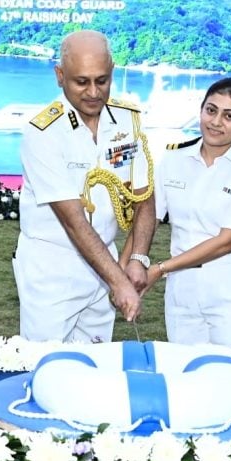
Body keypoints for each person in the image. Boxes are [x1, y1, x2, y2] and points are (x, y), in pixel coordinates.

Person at [14, 29, 156, 344]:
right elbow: (74, 221)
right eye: (82, 82)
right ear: (60, 76)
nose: (93, 92)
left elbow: (144, 198)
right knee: (46, 365)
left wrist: (138, 258)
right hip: (52, 266)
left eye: (102, 80)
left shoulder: (127, 121)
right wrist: (119, 282)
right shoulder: (43, 132)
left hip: (106, 259)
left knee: (95, 366)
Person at [143, 78, 231, 350]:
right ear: (200, 109)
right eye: (211, 110)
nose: (216, 122)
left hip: (229, 290)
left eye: (230, 116)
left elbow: (227, 241)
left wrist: (160, 268)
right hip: (181, 290)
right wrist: (134, 260)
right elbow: (149, 217)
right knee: (184, 374)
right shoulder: (173, 158)